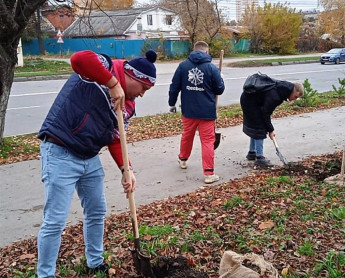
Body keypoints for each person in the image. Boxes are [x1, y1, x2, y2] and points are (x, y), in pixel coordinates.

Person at [36, 49, 157, 277]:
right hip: (60, 150)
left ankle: (95, 261)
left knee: (96, 211)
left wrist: (126, 169)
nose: (142, 94)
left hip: (89, 157)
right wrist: (111, 83)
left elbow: (115, 138)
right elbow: (79, 59)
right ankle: (45, 274)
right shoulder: (105, 66)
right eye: (143, 88)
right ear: (133, 77)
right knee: (55, 220)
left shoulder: (128, 106)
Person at [168, 41, 225, 184]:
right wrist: (220, 78)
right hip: (207, 112)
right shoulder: (212, 68)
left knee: (187, 135)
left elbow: (174, 86)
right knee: (207, 141)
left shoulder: (183, 66)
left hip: (188, 110)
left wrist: (171, 103)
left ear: (194, 51)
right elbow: (220, 90)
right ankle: (209, 173)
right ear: (207, 52)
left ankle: (183, 159)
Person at [240, 78, 304, 167]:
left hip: (248, 99)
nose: (295, 99)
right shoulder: (277, 95)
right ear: (293, 90)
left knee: (256, 125)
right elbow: (265, 113)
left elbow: (266, 110)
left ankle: (252, 153)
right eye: (296, 96)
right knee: (259, 128)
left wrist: (269, 127)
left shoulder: (282, 89)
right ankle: (260, 158)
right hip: (250, 102)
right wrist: (271, 130)